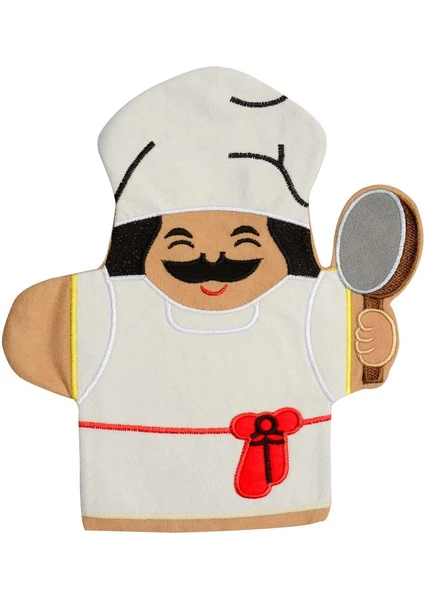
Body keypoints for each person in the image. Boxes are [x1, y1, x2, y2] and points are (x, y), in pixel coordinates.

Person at [2, 67, 419, 532]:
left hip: (267, 511)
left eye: (243, 242)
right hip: (142, 512)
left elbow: (363, 358)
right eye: (181, 244)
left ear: (283, 245)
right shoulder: (107, 304)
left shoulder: (305, 304)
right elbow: (30, 335)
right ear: (141, 244)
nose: (212, 258)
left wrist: (371, 345)